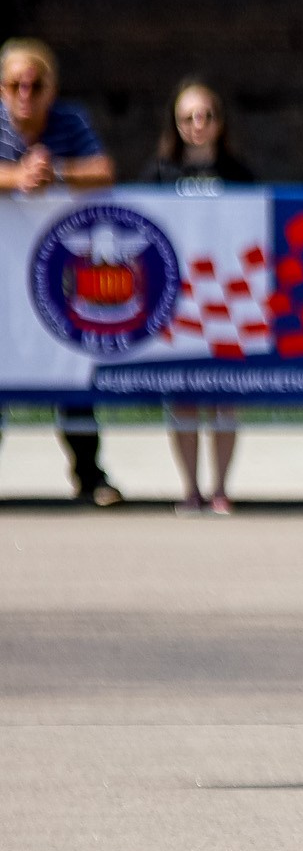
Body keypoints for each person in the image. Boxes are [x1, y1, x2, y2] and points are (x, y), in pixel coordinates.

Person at [0, 37, 123, 507]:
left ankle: (90, 476)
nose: (25, 94)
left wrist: (58, 176)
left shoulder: (69, 121)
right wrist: (17, 178)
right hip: (5, 276)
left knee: (69, 371)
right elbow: (19, 178)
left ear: (51, 89)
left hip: (57, 275)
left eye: (35, 84)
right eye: (15, 85)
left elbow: (104, 170)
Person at [147, 78, 252, 512]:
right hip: (176, 298)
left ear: (220, 122)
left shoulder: (238, 174)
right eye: (188, 117)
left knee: (223, 393)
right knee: (183, 392)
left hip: (225, 293)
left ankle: (221, 488)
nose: (197, 125)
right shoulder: (157, 173)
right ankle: (190, 487)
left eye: (206, 116)